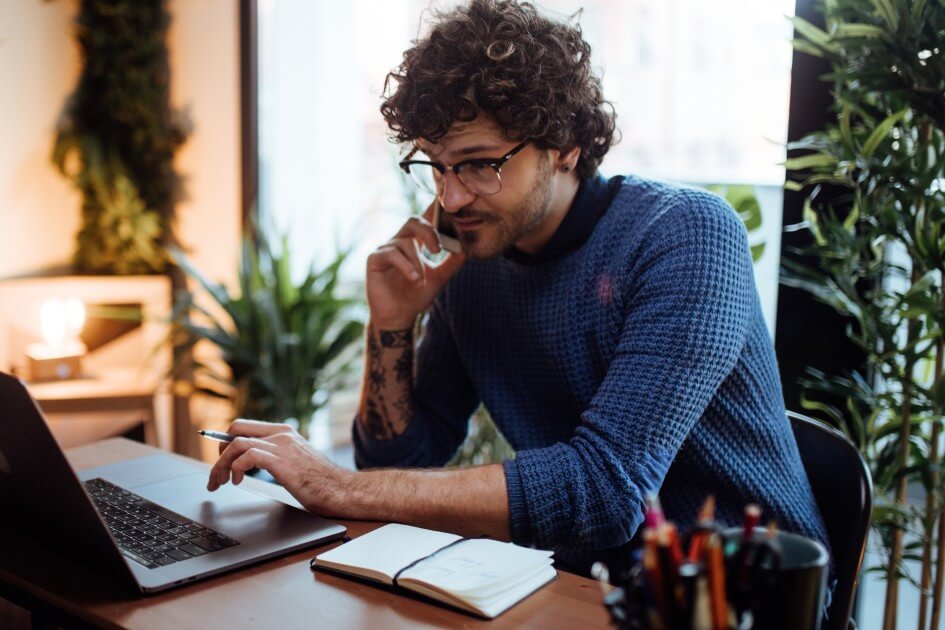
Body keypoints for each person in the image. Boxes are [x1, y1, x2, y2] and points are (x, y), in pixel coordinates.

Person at [206, 0, 830, 576]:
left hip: (746, 589)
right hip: (580, 586)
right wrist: (392, 323)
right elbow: (403, 464)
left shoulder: (685, 236)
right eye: (436, 167)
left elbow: (607, 491)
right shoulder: (473, 260)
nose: (452, 197)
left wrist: (335, 485)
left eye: (480, 164)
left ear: (565, 146)